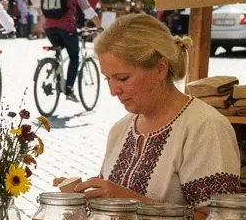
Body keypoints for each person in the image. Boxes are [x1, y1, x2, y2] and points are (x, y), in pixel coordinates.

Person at [60, 17, 240, 206]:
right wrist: (85, 194)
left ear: (160, 68)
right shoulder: (120, 130)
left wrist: (131, 202)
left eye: (122, 78)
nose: (113, 91)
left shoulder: (205, 127)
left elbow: (216, 219)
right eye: (108, 79)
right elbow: (109, 198)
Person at [42, 0, 100, 102]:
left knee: (59, 48)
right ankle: (69, 89)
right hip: (67, 28)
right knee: (74, 56)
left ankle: (54, 67)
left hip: (49, 28)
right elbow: (87, 10)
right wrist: (99, 25)